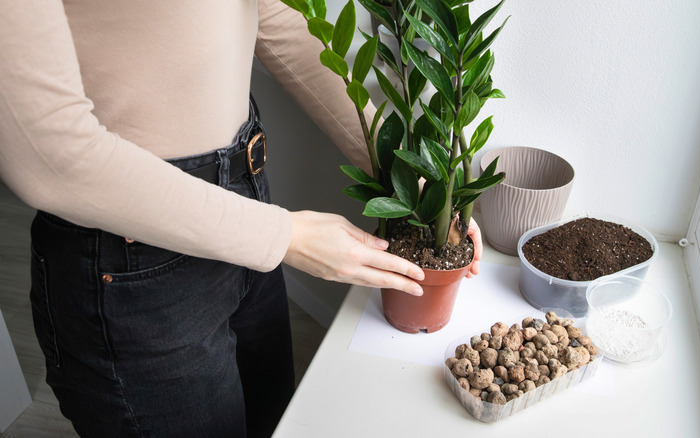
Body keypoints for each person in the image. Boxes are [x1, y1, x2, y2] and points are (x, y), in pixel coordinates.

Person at [0, 0, 482, 436]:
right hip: (131, 258)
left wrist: (411, 181)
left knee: (274, 419)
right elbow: (47, 157)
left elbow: (274, 15)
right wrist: (281, 236)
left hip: (247, 201)